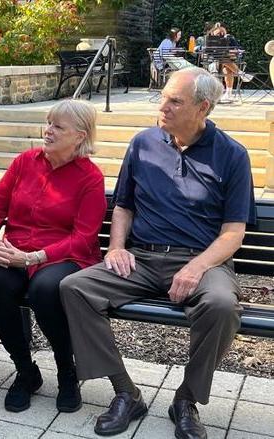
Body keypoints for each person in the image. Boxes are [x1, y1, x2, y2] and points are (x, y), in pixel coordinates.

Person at [60, 67, 255, 439]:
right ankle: (125, 392)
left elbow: (234, 232)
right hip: (144, 259)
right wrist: (116, 247)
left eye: (175, 101)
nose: (162, 106)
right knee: (75, 288)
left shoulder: (231, 155)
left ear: (202, 108)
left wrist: (196, 267)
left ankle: (186, 399)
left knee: (222, 306)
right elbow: (124, 207)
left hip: (204, 260)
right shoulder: (143, 144)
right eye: (163, 96)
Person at [0, 100, 106, 414]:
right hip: (16, 250)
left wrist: (35, 258)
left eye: (58, 126)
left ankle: (67, 373)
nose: (48, 131)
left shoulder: (90, 177)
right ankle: (26, 371)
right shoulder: (25, 162)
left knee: (46, 289)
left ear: (80, 136)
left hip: (64, 256)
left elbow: (83, 237)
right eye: (48, 123)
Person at [205, 23, 253, 101]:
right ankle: (241, 74)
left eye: (223, 33)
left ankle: (228, 94)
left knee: (227, 69)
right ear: (213, 33)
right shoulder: (210, 40)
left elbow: (238, 48)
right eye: (218, 33)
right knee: (221, 57)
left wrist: (232, 51)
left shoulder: (230, 38)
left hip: (228, 63)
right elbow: (208, 53)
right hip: (213, 63)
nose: (221, 35)